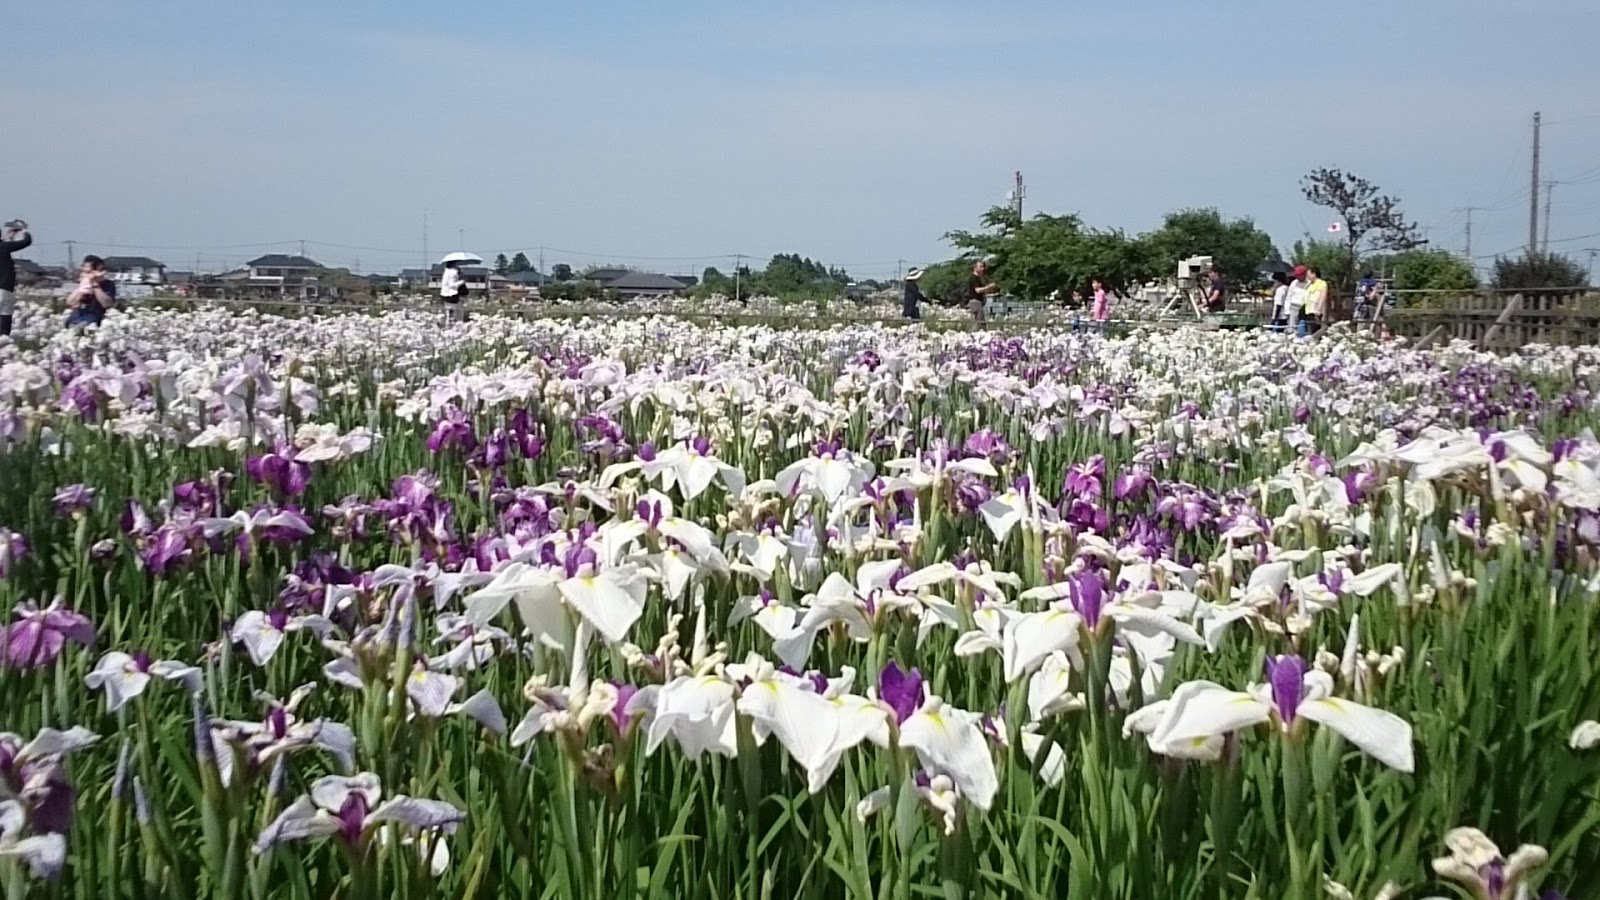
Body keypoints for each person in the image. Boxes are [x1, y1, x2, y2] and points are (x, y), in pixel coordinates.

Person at [66, 256, 116, 328]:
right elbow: (70, 302)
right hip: (74, 319)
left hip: (93, 322)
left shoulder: (108, 284)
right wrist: (82, 288)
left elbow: (106, 304)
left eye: (88, 271)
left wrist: (95, 285)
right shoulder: (83, 283)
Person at [0, 219, 31, 337]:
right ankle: (4, 341)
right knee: (5, 315)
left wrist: (9, 235)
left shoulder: (4, 246)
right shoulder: (4, 247)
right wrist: (25, 230)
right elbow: (26, 241)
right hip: (4, 287)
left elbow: (4, 243)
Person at [965, 259, 999, 324]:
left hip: (979, 302)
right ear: (975, 268)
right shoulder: (974, 278)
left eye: (983, 267)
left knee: (980, 322)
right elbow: (977, 290)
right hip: (976, 303)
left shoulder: (978, 278)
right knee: (980, 323)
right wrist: (989, 286)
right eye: (980, 267)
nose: (982, 269)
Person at [1300, 266, 1329, 336]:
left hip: (1315, 310)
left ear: (1314, 274)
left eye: (1308, 274)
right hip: (1308, 310)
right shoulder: (1310, 284)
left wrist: (1319, 309)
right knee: (1309, 328)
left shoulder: (1322, 283)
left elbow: (1323, 296)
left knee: (1315, 329)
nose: (1307, 276)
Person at [1284, 265, 1310, 333]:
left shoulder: (1309, 283)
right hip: (1294, 307)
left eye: (1299, 275)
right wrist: (1287, 310)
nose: (1297, 277)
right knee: (1292, 328)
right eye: (1297, 275)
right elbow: (1289, 297)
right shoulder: (1294, 283)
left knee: (1303, 327)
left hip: (1305, 308)